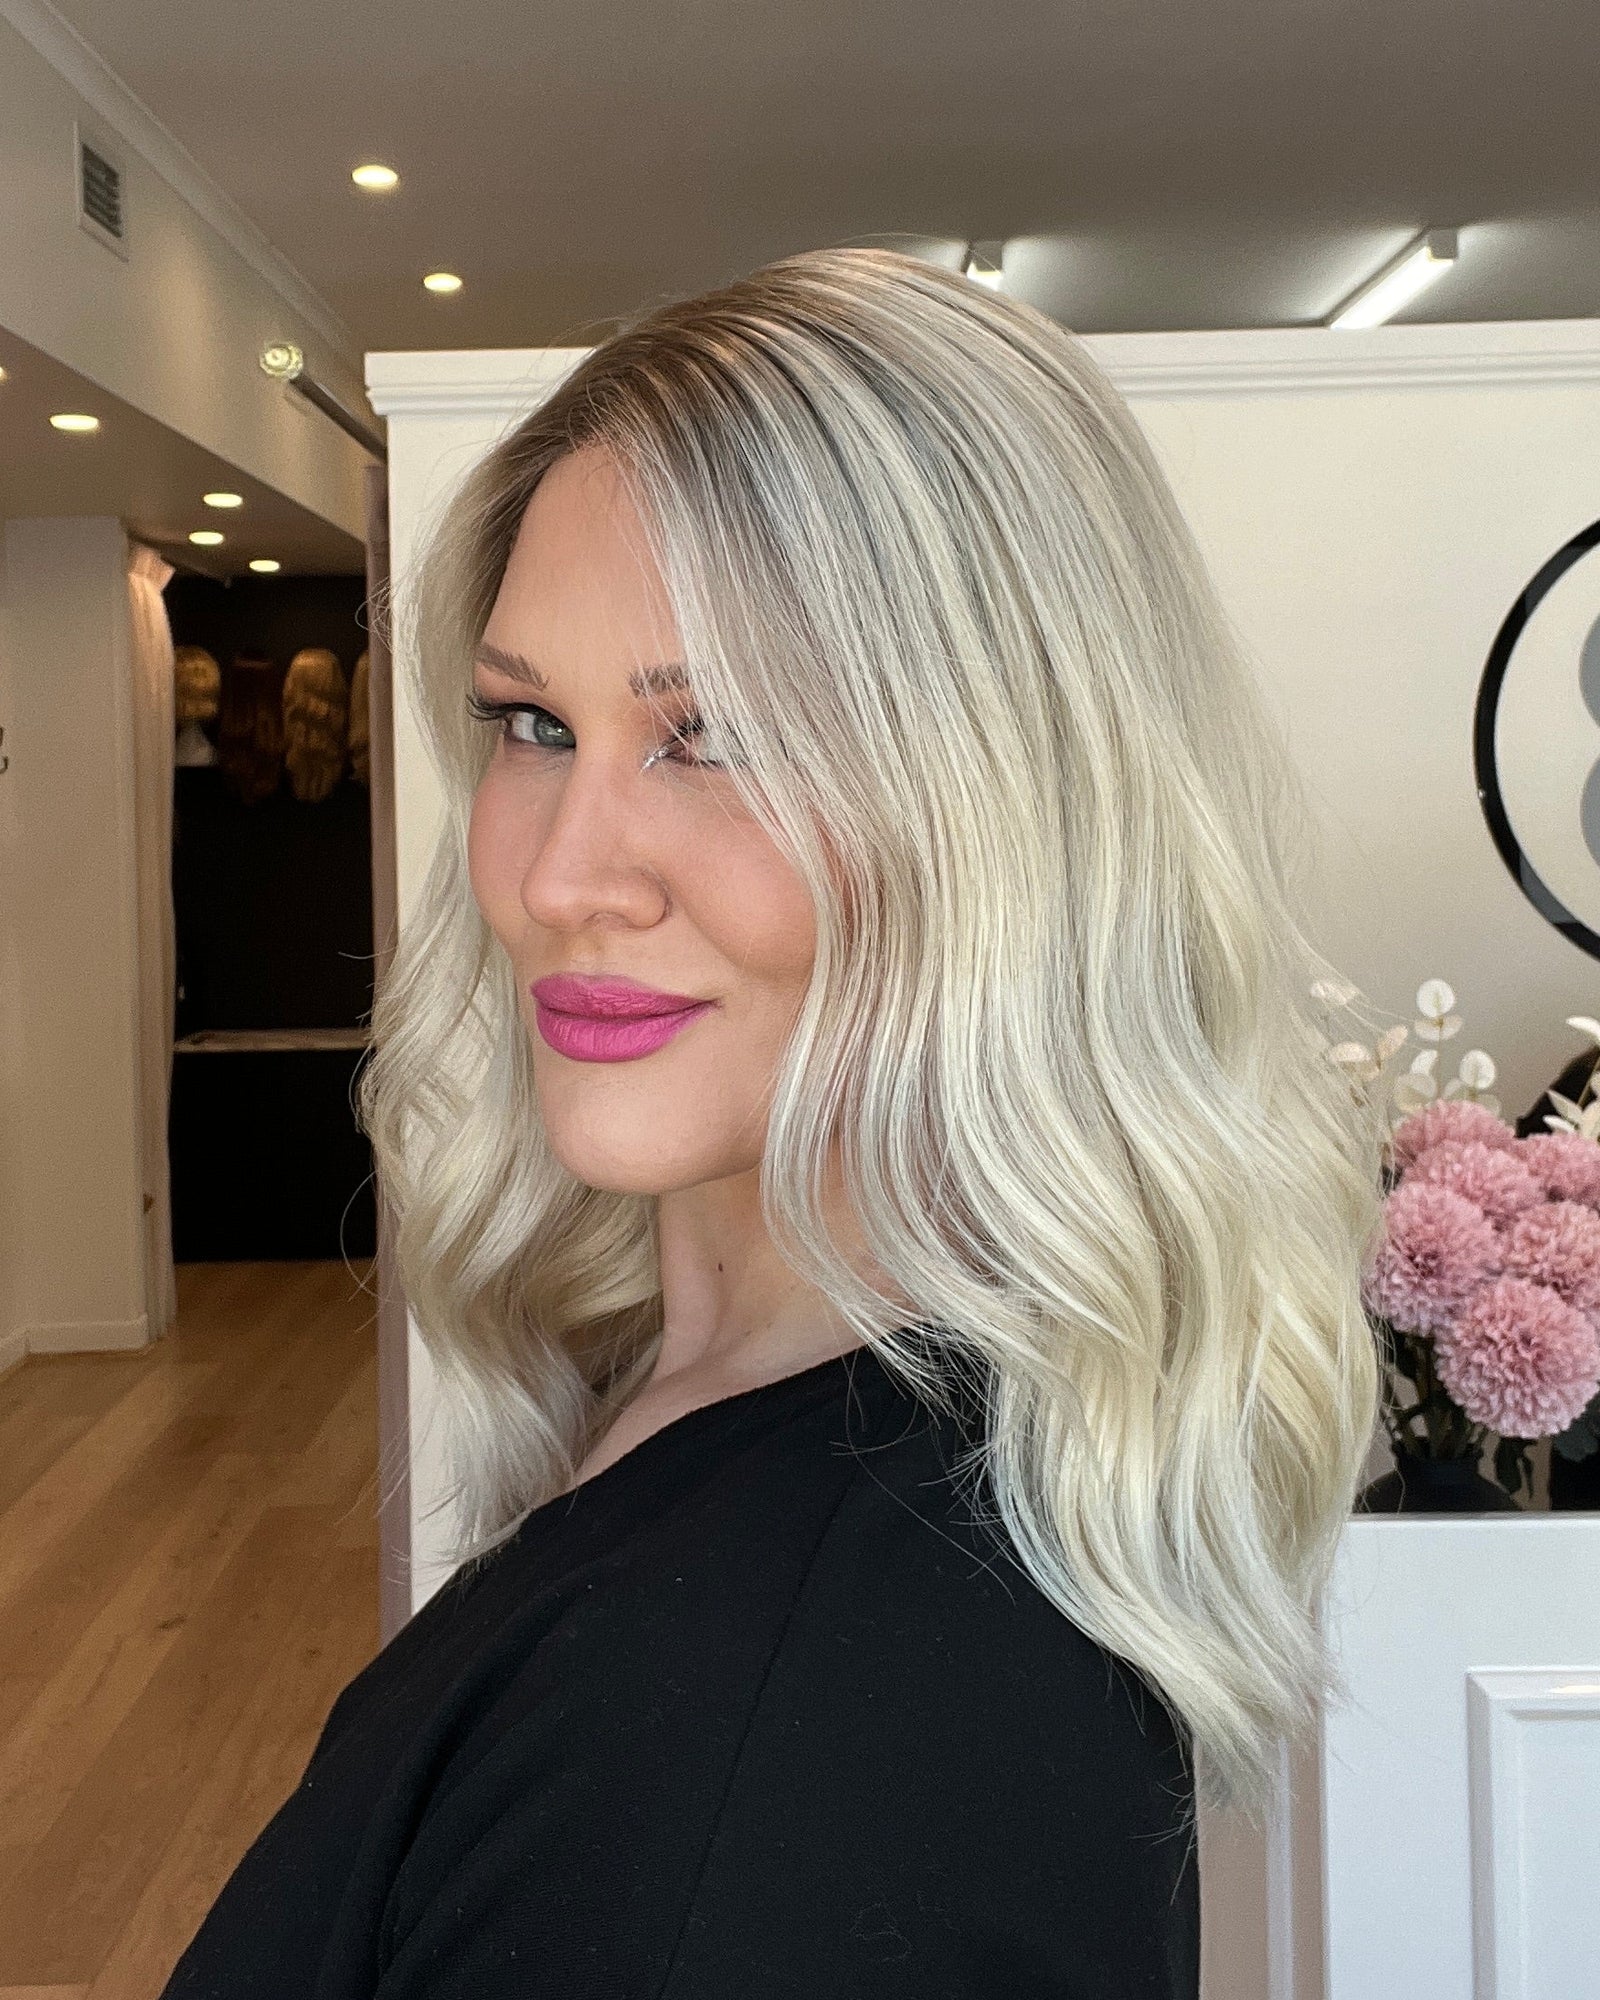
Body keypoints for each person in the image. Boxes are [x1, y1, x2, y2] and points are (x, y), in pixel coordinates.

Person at [159, 246, 1390, 1997]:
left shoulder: (758, 1740)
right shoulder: (830, 1430)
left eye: (714, 734)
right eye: (532, 722)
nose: (560, 875)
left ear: (1013, 809)